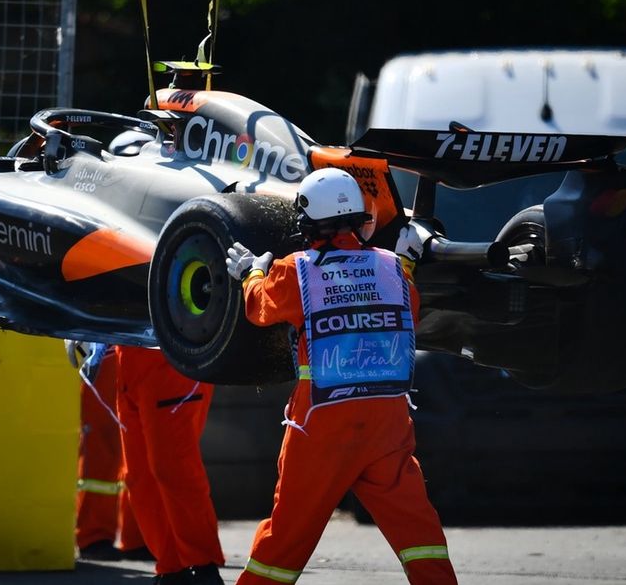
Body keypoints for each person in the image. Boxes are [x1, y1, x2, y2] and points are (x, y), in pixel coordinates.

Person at [225, 167, 458, 585]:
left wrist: (250, 274)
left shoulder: (297, 270)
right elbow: (410, 305)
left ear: (309, 222)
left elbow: (261, 308)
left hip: (323, 426)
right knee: (419, 533)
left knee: (285, 539)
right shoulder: (393, 268)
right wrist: (406, 260)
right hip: (387, 424)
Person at [115, 343, 226, 584]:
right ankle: (171, 566)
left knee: (173, 468)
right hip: (129, 357)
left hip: (173, 358)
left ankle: (202, 564)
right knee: (139, 476)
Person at [66, 341, 152, 562]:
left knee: (142, 447)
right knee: (103, 445)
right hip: (105, 348)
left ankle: (140, 536)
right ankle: (94, 535)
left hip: (138, 350)